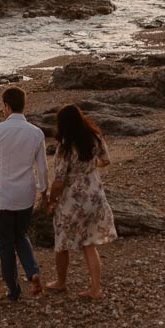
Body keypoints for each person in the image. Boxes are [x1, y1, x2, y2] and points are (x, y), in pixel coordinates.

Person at [0, 86, 48, 301]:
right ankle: (32, 271)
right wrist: (44, 191)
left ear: (6, 106)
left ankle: (13, 290)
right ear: (24, 105)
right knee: (21, 235)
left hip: (2, 196)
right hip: (25, 195)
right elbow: (42, 168)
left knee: (6, 244)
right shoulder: (36, 133)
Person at [45, 104, 116, 299]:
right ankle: (95, 288)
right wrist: (91, 166)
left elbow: (59, 180)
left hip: (73, 199)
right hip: (94, 194)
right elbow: (106, 160)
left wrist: (51, 200)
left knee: (62, 242)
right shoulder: (94, 137)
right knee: (88, 243)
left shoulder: (66, 146)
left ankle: (60, 282)